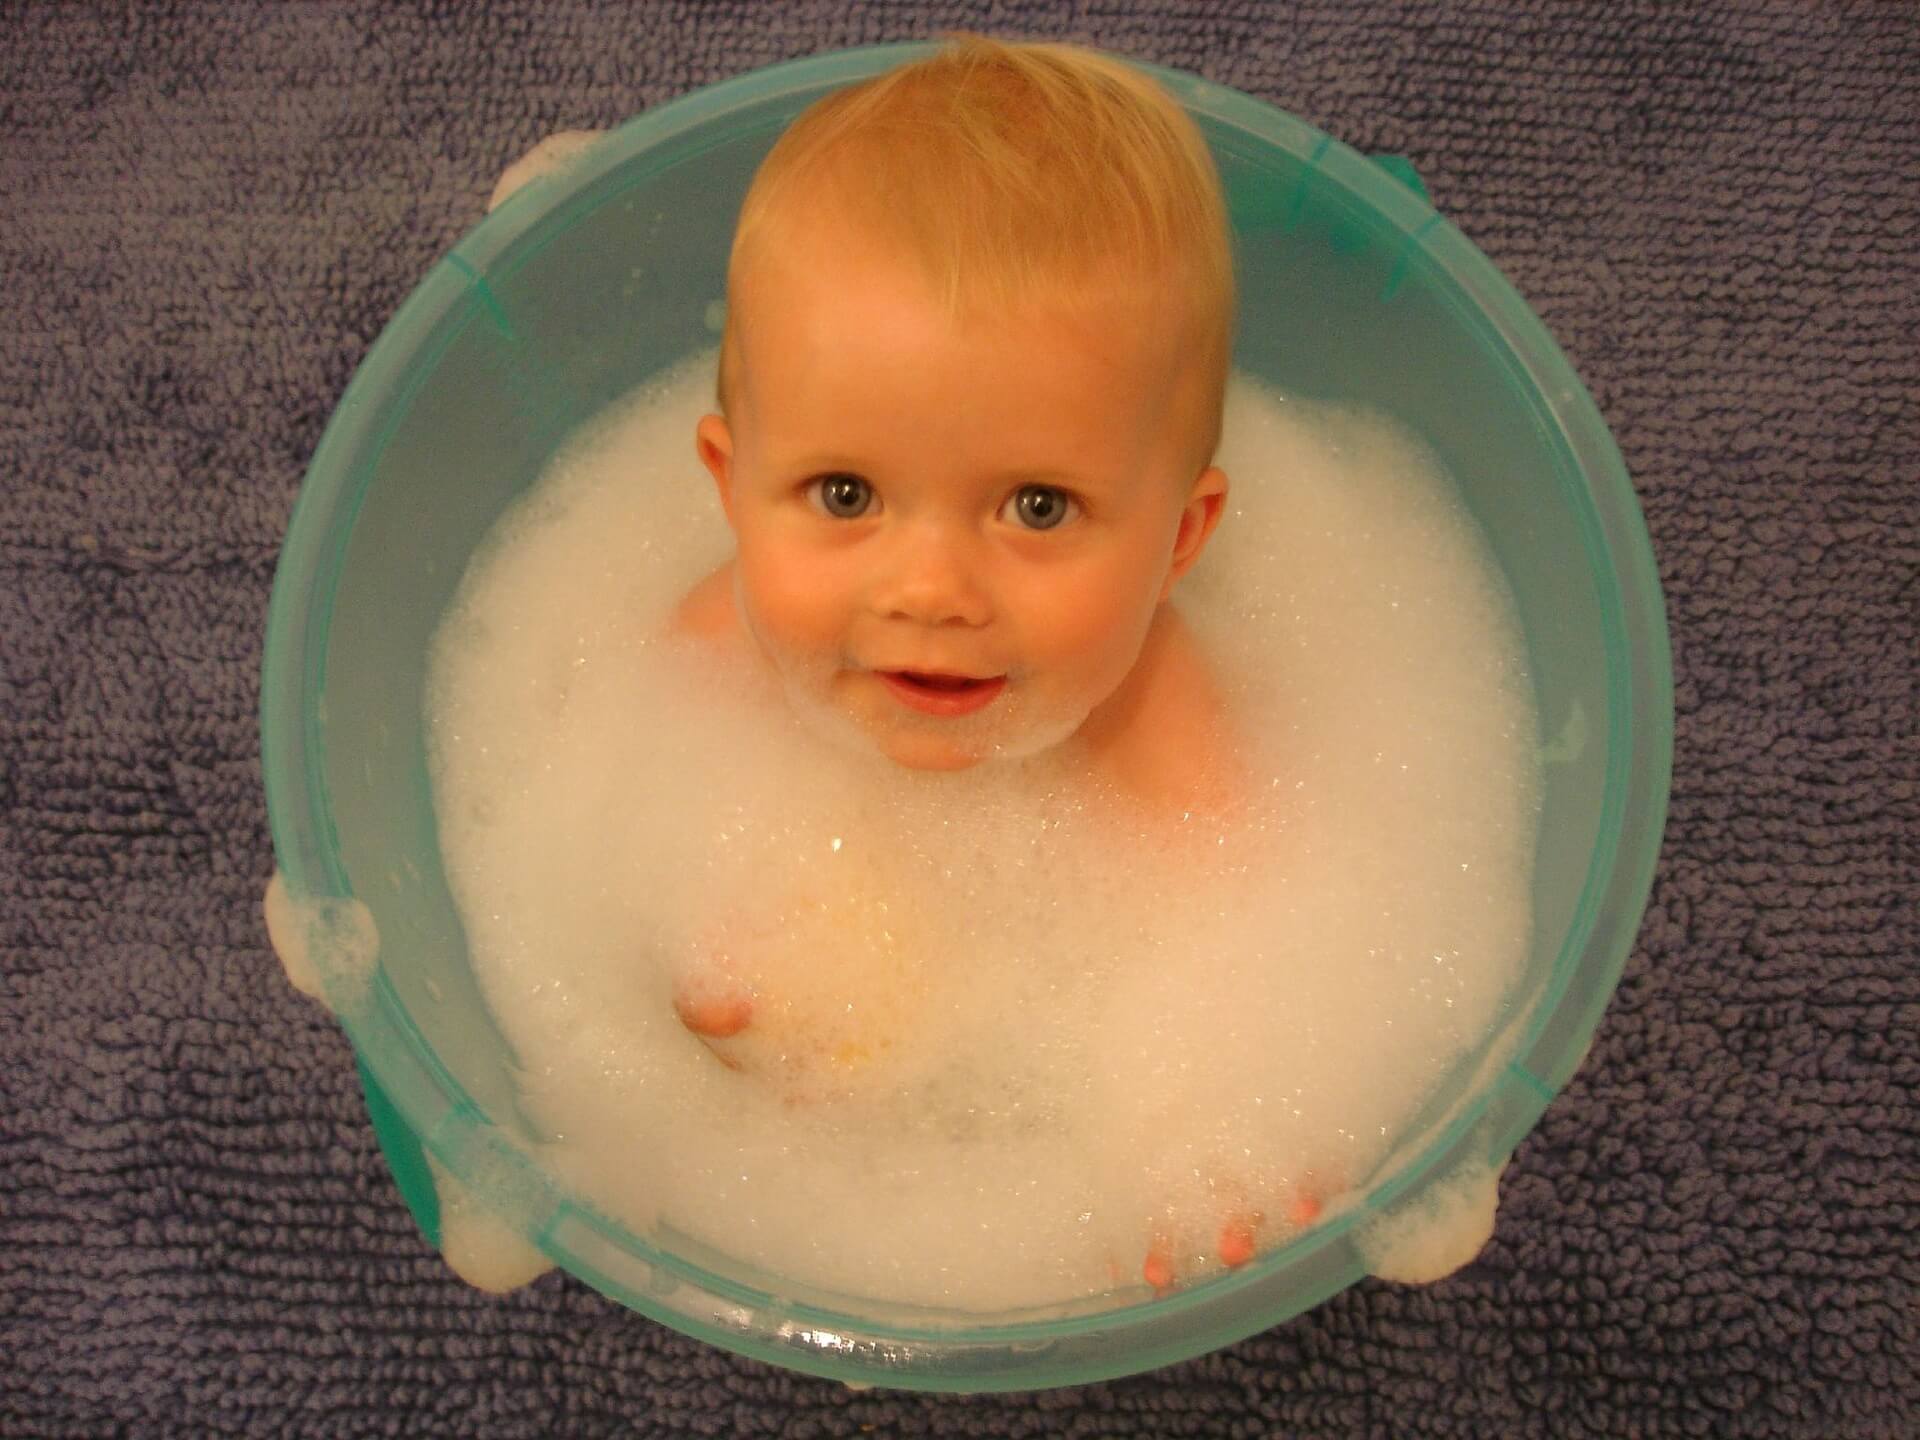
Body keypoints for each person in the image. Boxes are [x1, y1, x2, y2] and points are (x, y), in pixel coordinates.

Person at [673, 33, 1237, 815]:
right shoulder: (709, 660)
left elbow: (1229, 915)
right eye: (845, 494)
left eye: (1039, 507)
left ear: (1180, 538)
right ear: (731, 486)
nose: (931, 592)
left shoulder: (1158, 723)